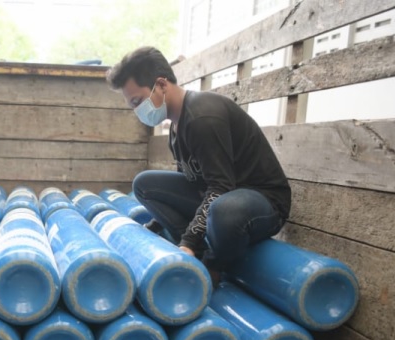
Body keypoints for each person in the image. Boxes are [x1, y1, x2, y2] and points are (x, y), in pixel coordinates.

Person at [106, 46, 291, 279]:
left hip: (261, 202)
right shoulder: (176, 125)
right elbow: (189, 181)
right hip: (219, 198)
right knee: (144, 184)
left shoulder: (202, 118)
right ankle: (196, 249)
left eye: (138, 101)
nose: (137, 111)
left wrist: (189, 241)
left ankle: (213, 267)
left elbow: (221, 187)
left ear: (161, 85)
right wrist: (155, 226)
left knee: (224, 211)